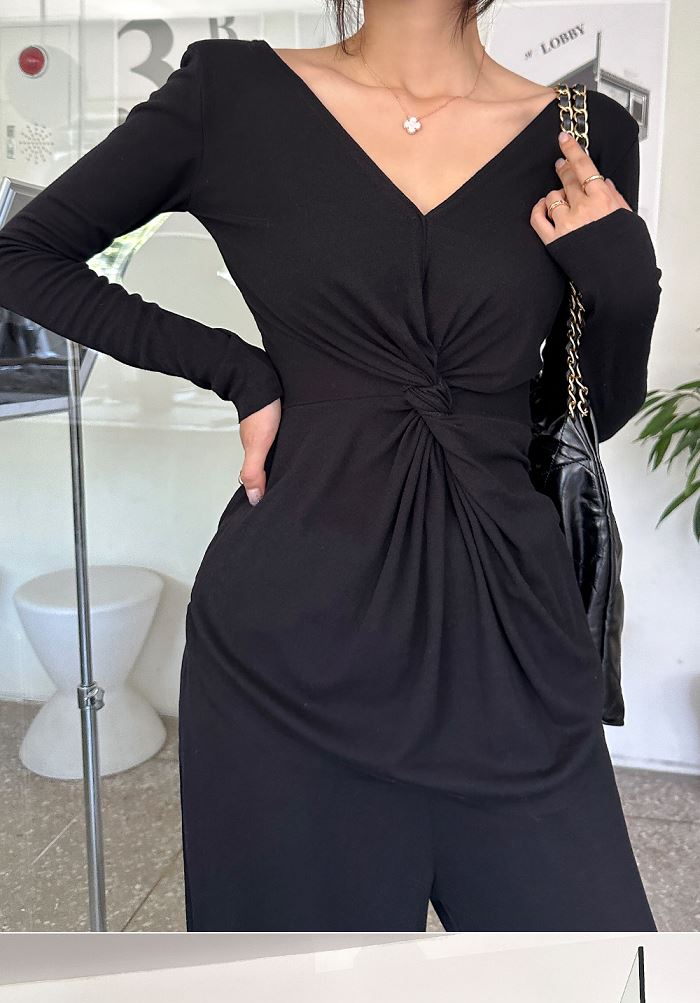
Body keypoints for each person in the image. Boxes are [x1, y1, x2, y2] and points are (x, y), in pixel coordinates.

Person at [0, 5, 662, 932]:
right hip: (291, 643)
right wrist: (239, 372)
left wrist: (626, 285)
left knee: (583, 1000)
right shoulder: (233, 94)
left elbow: (586, 416)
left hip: (510, 637)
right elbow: (23, 255)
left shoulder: (586, 134)